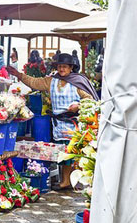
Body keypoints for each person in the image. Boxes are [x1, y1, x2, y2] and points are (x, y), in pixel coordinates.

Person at [7, 53, 98, 189]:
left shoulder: (78, 81)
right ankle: (67, 181)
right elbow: (35, 83)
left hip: (73, 123)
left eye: (65, 67)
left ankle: (67, 181)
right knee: (62, 152)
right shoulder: (52, 81)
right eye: (60, 66)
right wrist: (19, 75)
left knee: (71, 152)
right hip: (58, 124)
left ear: (71, 67)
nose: (62, 69)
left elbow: (90, 99)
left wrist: (78, 106)